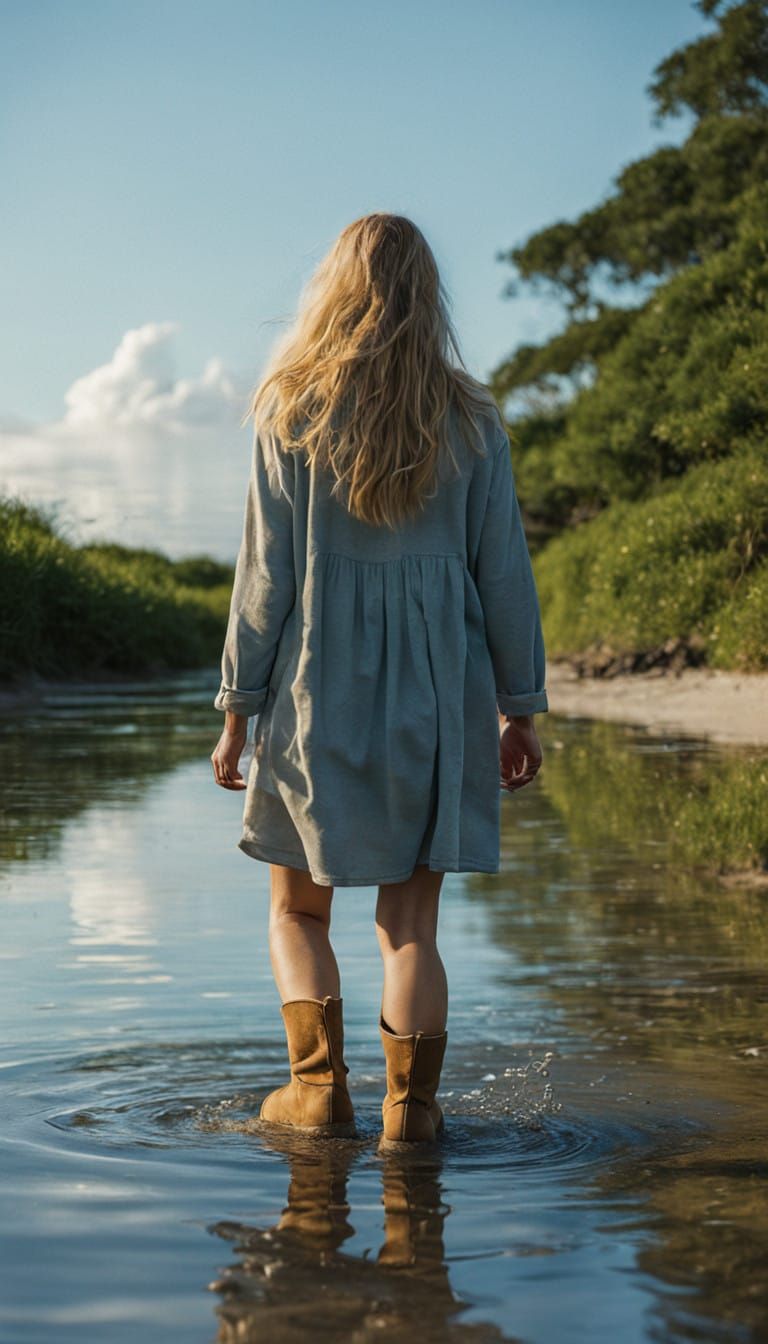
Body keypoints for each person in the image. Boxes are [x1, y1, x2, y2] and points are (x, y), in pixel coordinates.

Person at [210, 213, 548, 1147]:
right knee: (410, 928)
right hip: (440, 696)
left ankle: (317, 1093)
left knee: (296, 910)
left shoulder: (291, 408)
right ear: (427, 296)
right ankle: (412, 1112)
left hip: (315, 691)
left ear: (333, 289)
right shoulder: (471, 418)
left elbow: (265, 576)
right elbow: (505, 575)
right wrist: (519, 708)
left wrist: (237, 709)